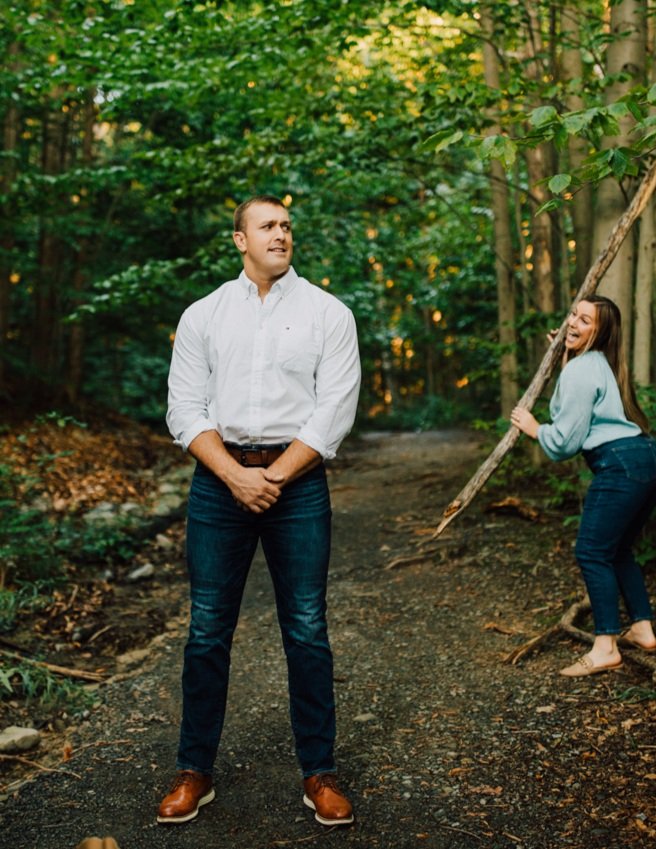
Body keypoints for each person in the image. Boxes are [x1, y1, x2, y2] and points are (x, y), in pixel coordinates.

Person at [159, 195, 361, 826]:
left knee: (305, 628)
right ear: (240, 240)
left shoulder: (329, 313)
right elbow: (184, 409)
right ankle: (195, 771)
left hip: (296, 484)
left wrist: (269, 476)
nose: (281, 235)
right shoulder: (203, 315)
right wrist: (234, 476)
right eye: (268, 226)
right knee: (207, 630)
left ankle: (319, 773)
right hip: (218, 482)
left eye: (287, 227)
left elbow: (334, 410)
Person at [510, 295, 656, 677]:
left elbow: (564, 441)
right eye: (572, 315)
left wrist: (535, 429)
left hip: (620, 465)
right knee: (619, 550)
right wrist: (562, 352)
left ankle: (605, 646)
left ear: (601, 331)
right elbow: (578, 396)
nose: (574, 323)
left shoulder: (583, 369)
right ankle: (642, 630)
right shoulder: (597, 363)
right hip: (648, 457)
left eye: (586, 320)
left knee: (592, 552)